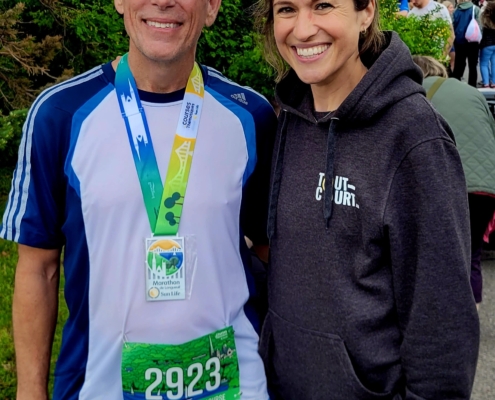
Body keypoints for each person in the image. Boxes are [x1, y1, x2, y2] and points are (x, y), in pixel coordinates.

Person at [0, 0, 277, 398]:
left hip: (231, 386)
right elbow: (37, 267)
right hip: (102, 387)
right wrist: (30, 392)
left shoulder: (252, 116)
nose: (163, 2)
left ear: (212, 6)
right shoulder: (59, 114)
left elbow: (273, 251)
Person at [255, 0, 479, 398]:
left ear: (367, 12)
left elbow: (442, 327)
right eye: (286, 9)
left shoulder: (413, 136)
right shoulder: (287, 118)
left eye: (323, 5)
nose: (302, 29)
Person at [413, 55, 495, 310]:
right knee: (471, 255)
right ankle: (471, 318)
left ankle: (440, 316)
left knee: (435, 254)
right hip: (486, 187)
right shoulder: (471, 92)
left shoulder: (414, 93)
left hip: (447, 183)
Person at [452, 0, 482, 86]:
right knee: (473, 66)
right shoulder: (475, 9)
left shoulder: (456, 11)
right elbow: (480, 25)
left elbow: (452, 25)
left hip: (459, 41)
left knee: (459, 64)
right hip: (473, 41)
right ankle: (472, 85)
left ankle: (456, 84)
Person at [480, 0, 495, 86]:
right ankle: (493, 82)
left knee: (484, 63)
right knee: (494, 63)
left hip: (486, 44)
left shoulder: (485, 18)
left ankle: (486, 82)